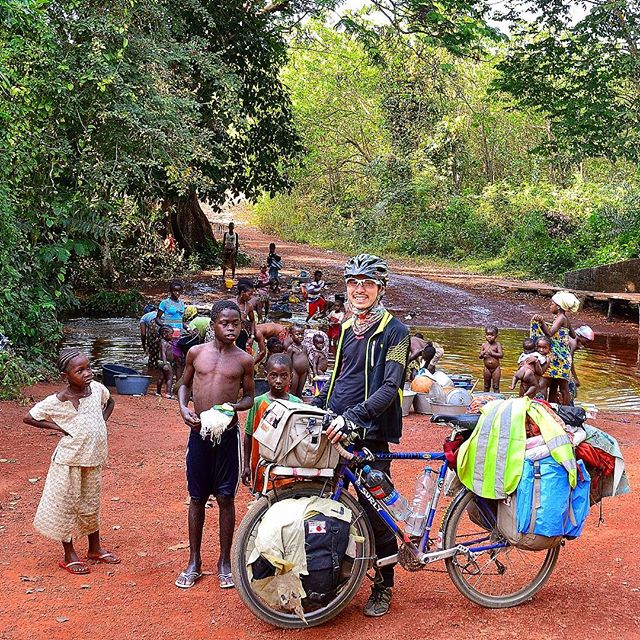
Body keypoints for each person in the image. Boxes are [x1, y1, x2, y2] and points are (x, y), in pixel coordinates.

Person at [317, 254, 409, 617]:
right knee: (332, 500)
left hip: (370, 431)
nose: (359, 289)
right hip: (339, 425)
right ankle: (333, 572)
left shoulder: (395, 331)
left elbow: (391, 387)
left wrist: (355, 417)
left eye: (367, 283)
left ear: (380, 288)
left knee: (376, 511)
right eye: (353, 282)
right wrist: (320, 405)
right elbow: (341, 375)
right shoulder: (345, 327)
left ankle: (384, 586)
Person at [175, 300, 255, 590]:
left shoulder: (244, 360)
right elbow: (183, 385)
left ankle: (224, 560)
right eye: (225, 322)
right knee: (196, 498)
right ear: (213, 325)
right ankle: (194, 560)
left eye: (236, 323)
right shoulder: (196, 353)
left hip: (227, 435)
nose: (231, 327)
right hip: (198, 434)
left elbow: (249, 397)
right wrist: (185, 409)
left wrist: (233, 407)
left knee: (225, 498)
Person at [24, 349, 119, 575]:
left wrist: (102, 422)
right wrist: (57, 428)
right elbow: (29, 417)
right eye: (80, 370)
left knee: (91, 504)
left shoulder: (97, 390)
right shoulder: (57, 401)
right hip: (68, 463)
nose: (88, 373)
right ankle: (69, 554)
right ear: (66, 376)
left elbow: (110, 402)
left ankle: (94, 548)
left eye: (88, 367)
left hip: (93, 460)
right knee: (67, 506)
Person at [242, 353, 302, 490]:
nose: (279, 380)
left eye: (284, 376)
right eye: (274, 375)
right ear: (266, 375)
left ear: (291, 377)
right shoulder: (258, 403)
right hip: (261, 466)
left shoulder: (297, 403)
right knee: (263, 503)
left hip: (288, 468)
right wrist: (246, 465)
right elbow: (248, 434)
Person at [530, 291, 579, 404]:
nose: (550, 305)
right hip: (564, 357)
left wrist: (541, 322)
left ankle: (543, 407)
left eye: (552, 303)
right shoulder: (564, 319)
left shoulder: (561, 318)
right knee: (557, 385)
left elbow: (549, 334)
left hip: (557, 358)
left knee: (544, 383)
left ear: (558, 306)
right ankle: (558, 408)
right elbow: (573, 335)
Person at [287, 324, 309, 398]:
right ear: (291, 336)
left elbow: (307, 359)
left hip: (304, 372)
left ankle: (299, 404)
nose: (300, 336)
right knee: (292, 391)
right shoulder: (291, 348)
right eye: (297, 334)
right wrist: (289, 375)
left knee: (300, 391)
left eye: (302, 334)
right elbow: (288, 362)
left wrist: (309, 372)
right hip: (294, 372)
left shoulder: (304, 348)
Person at [479, 326, 503, 392]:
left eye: (492, 335)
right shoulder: (484, 345)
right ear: (485, 335)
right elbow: (480, 356)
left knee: (496, 386)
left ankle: (498, 400)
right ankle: (485, 398)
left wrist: (492, 353)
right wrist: (482, 353)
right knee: (486, 385)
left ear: (496, 336)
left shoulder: (497, 345)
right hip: (487, 368)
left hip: (496, 368)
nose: (489, 336)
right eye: (487, 335)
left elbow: (501, 355)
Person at [156, 324, 177, 398]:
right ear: (165, 334)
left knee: (161, 377)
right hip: (165, 362)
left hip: (161, 362)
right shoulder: (164, 343)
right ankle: (168, 393)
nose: (172, 335)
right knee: (169, 378)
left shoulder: (164, 342)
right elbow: (163, 353)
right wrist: (165, 364)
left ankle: (158, 392)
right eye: (171, 334)